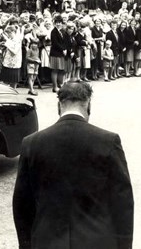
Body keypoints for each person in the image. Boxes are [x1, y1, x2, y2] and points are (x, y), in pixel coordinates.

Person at [13, 80, 134, 249]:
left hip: (48, 241)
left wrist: (26, 245)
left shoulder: (32, 143)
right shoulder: (108, 141)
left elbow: (22, 205)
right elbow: (122, 203)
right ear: (88, 105)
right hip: (97, 241)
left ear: (59, 105)